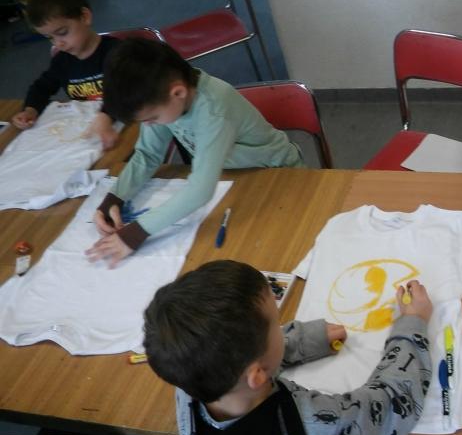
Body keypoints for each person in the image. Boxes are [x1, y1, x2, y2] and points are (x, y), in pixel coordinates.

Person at [143, 260, 447, 435]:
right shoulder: (314, 425)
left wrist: (306, 340)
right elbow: (390, 404)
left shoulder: (191, 382)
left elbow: (235, 358)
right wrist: (412, 323)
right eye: (276, 324)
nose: (282, 327)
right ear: (257, 374)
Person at [85, 38, 304, 267]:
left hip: (278, 174)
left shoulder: (213, 110)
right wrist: (116, 197)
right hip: (232, 176)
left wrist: (136, 232)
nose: (148, 126)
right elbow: (148, 155)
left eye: (152, 119)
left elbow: (200, 191)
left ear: (178, 92)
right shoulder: (165, 98)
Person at [11, 0, 119, 149]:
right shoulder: (62, 61)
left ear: (84, 17)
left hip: (126, 127)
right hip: (92, 134)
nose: (58, 43)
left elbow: (128, 91)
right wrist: (30, 110)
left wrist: (106, 116)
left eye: (62, 33)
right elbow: (41, 87)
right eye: (49, 38)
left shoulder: (118, 53)